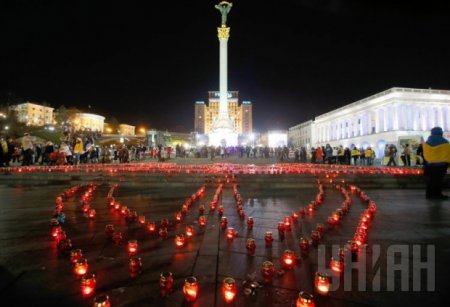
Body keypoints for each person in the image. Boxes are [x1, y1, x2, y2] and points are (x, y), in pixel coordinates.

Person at [423, 127, 450, 200]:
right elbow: (447, 154)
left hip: (429, 165)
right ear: (441, 133)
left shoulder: (427, 143)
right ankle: (437, 195)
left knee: (431, 181)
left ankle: (429, 195)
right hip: (440, 165)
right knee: (438, 181)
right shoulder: (445, 143)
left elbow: (425, 154)